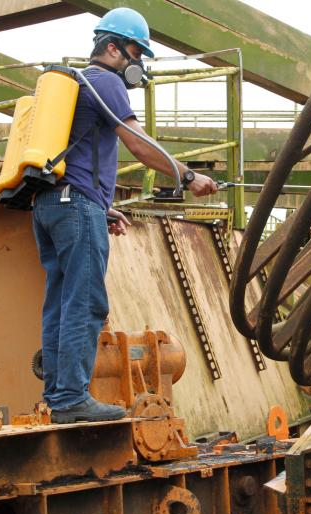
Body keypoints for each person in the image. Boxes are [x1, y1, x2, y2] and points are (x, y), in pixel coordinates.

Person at [33, 7, 219, 423]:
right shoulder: (106, 82)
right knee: (85, 301)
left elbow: (77, 158)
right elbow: (138, 143)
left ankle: (57, 395)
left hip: (50, 204)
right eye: (136, 53)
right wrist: (187, 176)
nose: (139, 65)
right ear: (113, 47)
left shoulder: (78, 85)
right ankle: (70, 399)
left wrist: (102, 207)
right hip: (75, 206)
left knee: (60, 303)